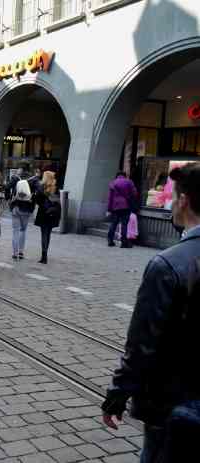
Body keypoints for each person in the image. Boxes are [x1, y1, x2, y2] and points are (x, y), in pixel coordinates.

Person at [102, 163, 200, 462]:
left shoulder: (168, 265)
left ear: (182, 201)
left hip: (174, 403)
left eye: (174, 197)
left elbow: (143, 343)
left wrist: (117, 396)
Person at [8, 163, 38, 259]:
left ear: (20, 168)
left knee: (15, 230)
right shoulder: (34, 179)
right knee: (23, 230)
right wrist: (33, 199)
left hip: (16, 207)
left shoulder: (15, 178)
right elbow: (40, 191)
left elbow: (6, 187)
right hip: (27, 208)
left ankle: (14, 253)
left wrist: (9, 199)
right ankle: (21, 252)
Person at [33, 171, 61, 264]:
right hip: (52, 214)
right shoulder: (55, 188)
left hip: (44, 214)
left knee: (44, 234)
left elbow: (37, 200)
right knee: (48, 234)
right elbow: (57, 202)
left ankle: (44, 256)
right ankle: (45, 254)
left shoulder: (42, 188)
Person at [107, 171, 138, 249]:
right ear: (125, 176)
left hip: (115, 206)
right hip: (126, 206)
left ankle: (110, 241)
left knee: (113, 224)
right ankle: (123, 243)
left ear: (117, 176)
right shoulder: (129, 182)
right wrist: (129, 197)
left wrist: (109, 209)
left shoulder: (113, 183)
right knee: (124, 224)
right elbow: (135, 193)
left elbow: (110, 198)